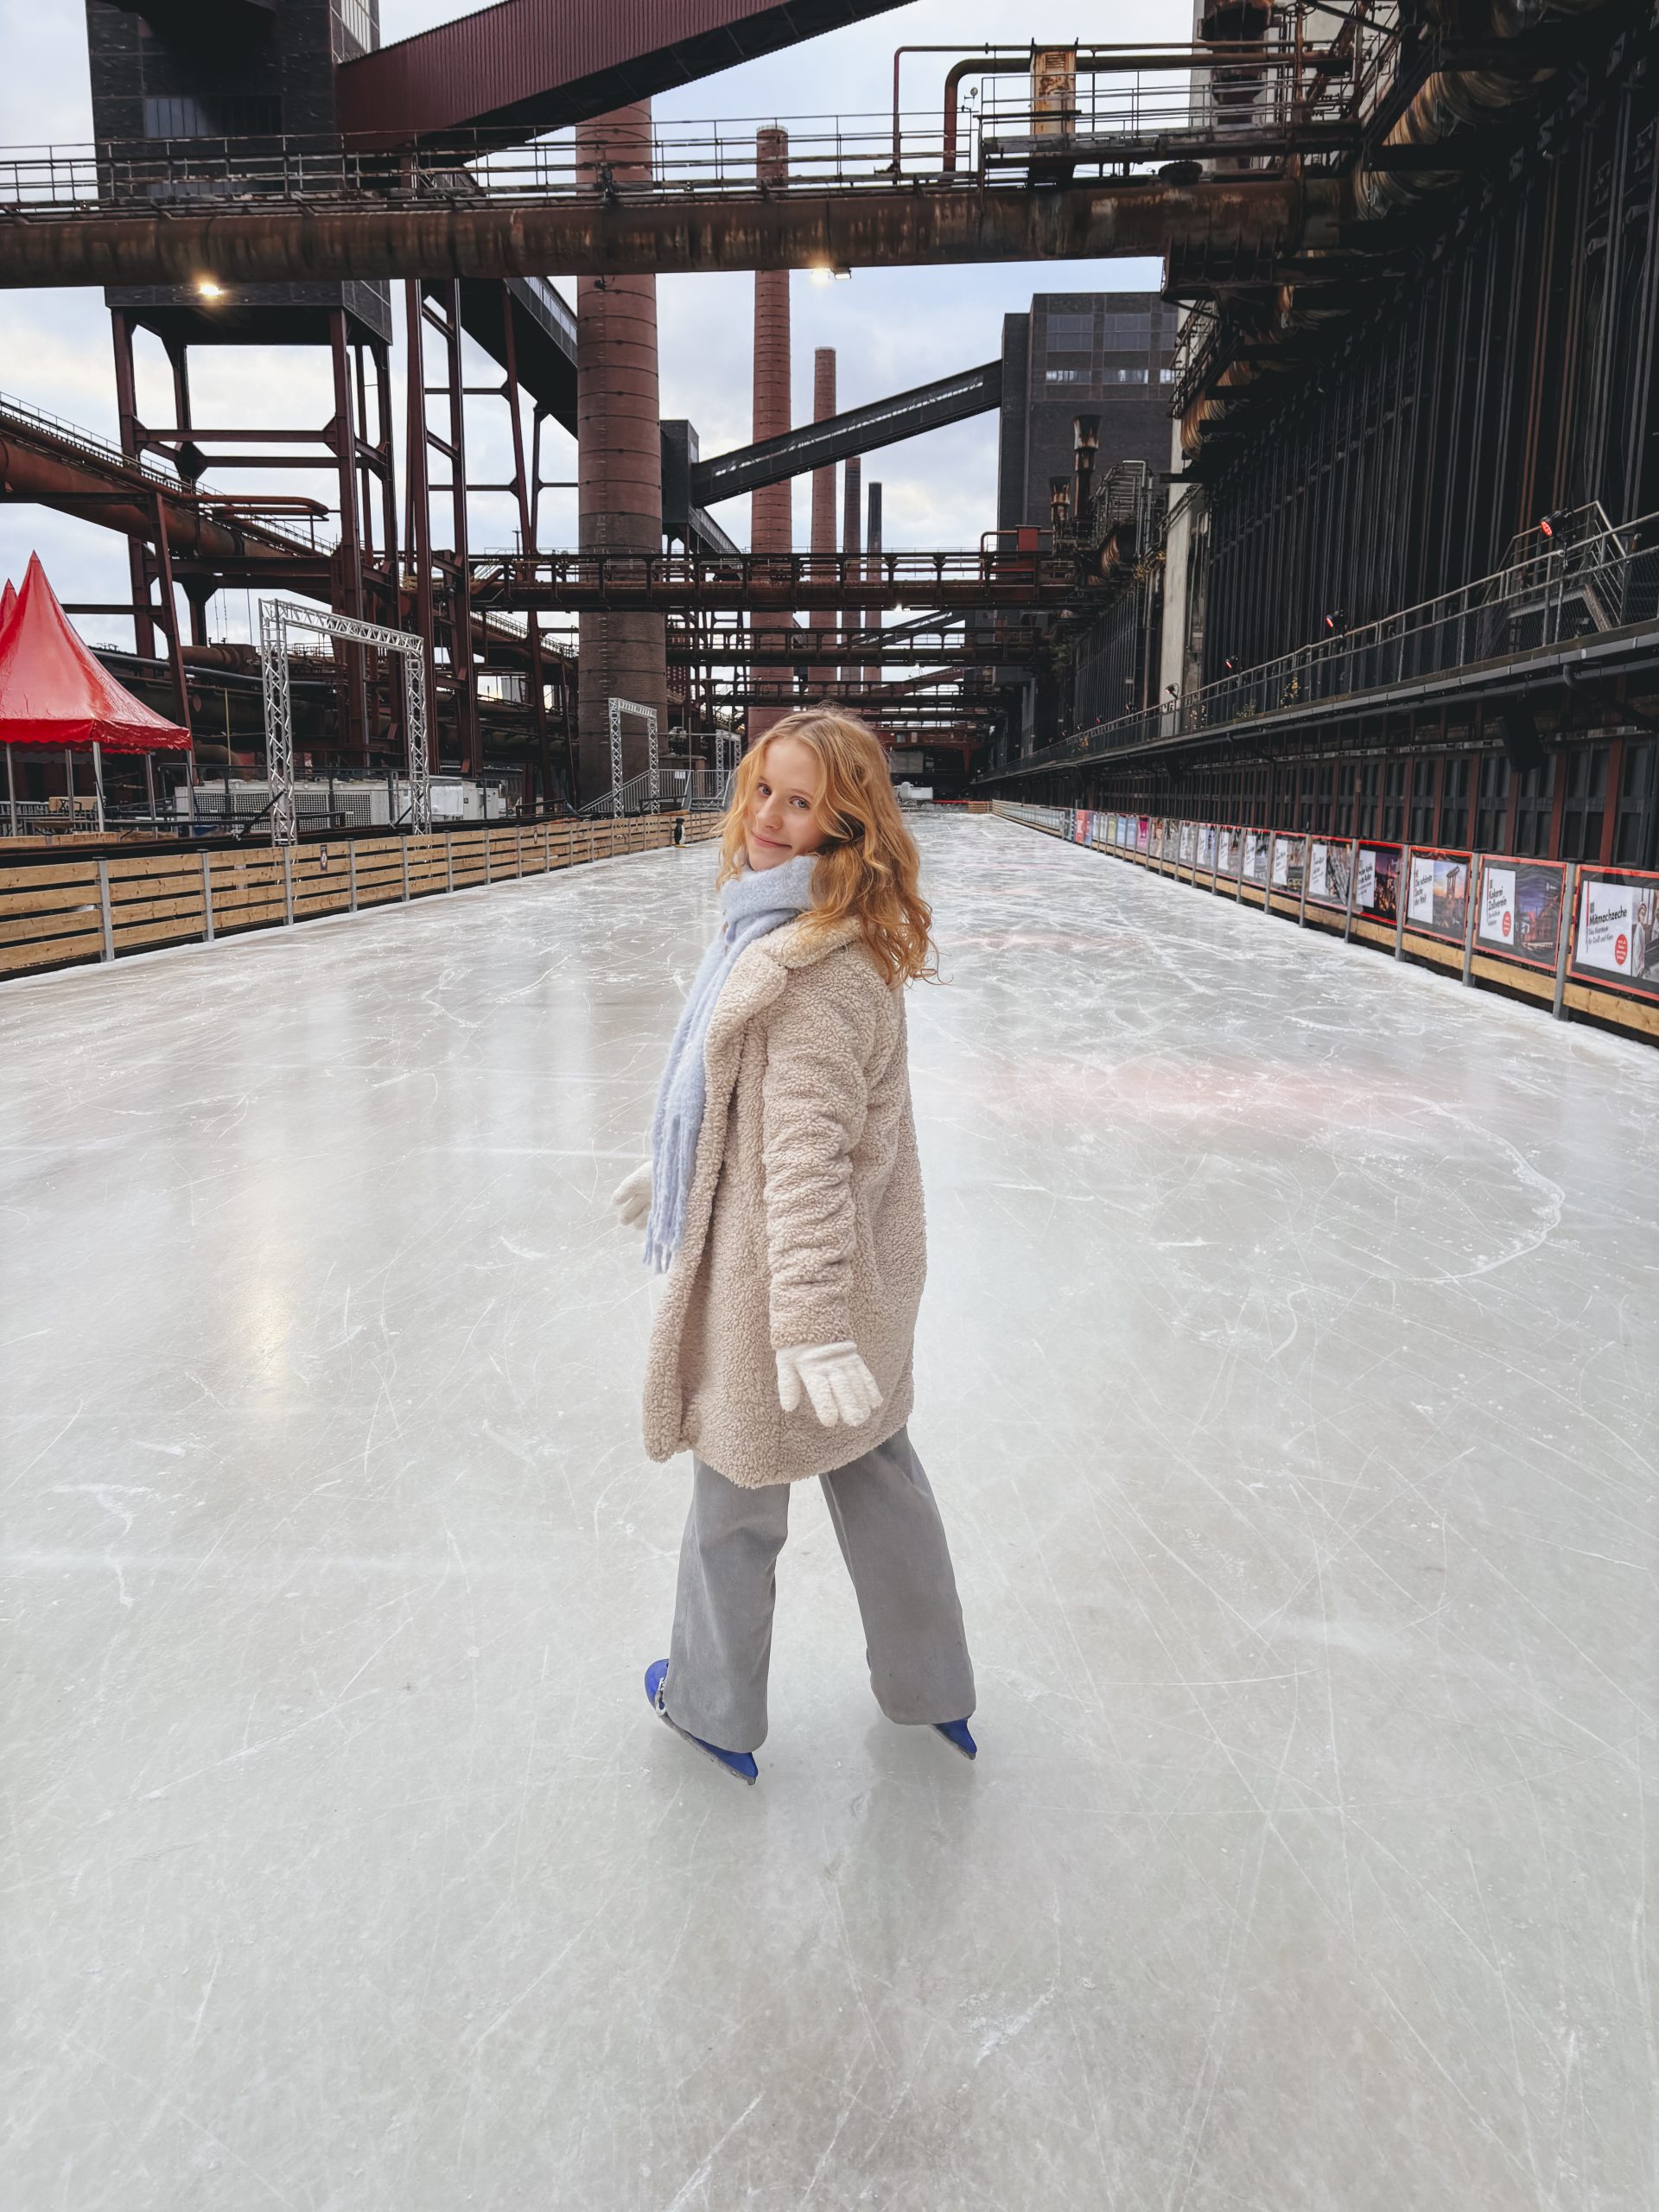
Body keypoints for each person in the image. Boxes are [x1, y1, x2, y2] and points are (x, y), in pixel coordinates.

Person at [609, 708, 976, 1785]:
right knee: (879, 1479)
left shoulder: (804, 973)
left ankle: (712, 1708)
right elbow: (757, 1112)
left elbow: (809, 1164)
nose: (768, 816)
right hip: (857, 1280)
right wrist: (678, 1167)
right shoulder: (797, 935)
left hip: (784, 1296)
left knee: (733, 1504)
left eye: (800, 799)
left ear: (844, 821)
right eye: (763, 787)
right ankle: (935, 1687)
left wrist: (807, 1327)